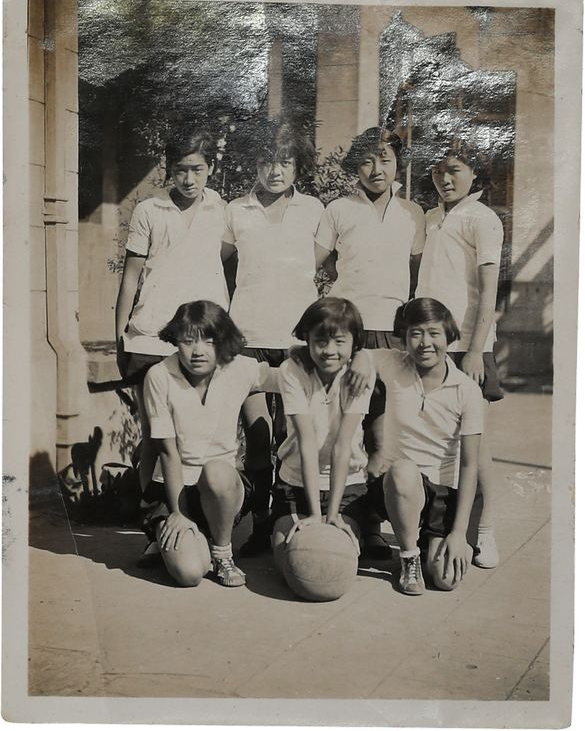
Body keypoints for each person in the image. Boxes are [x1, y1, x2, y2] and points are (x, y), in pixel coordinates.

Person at [115, 128, 230, 564]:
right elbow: (131, 275)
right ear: (169, 170)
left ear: (210, 168)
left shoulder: (223, 210)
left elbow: (226, 266)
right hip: (150, 336)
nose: (188, 179)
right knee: (154, 437)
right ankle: (153, 527)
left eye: (197, 169)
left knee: (196, 436)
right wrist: (121, 335)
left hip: (202, 340)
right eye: (180, 170)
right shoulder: (150, 209)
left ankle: (195, 523)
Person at [313, 126, 426, 555]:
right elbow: (312, 264)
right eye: (367, 160)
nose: (376, 169)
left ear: (398, 164)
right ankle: (343, 520)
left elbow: (418, 274)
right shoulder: (338, 209)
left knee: (384, 434)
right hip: (349, 332)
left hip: (392, 333)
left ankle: (374, 525)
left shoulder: (412, 213)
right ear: (355, 167)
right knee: (346, 427)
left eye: (385, 159)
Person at [222, 119, 324, 556]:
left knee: (293, 434)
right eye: (267, 162)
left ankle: (289, 518)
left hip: (297, 342)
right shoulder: (235, 211)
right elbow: (213, 265)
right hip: (247, 338)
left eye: (285, 162)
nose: (275, 171)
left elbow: (328, 265)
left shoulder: (315, 210)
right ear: (255, 164)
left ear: (297, 166)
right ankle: (261, 525)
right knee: (258, 438)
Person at [142, 300, 279, 588]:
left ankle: (222, 553)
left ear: (223, 341)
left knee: (216, 471)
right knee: (190, 572)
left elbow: (291, 376)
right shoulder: (159, 376)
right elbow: (167, 451)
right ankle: (179, 537)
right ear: (175, 339)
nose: (198, 351)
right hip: (174, 488)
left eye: (209, 340)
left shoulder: (240, 368)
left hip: (220, 490)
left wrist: (353, 363)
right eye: (188, 340)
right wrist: (178, 513)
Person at [415, 139, 504, 568]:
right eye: (439, 171)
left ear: (474, 174)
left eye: (455, 170)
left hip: (468, 347)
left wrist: (473, 351)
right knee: (435, 437)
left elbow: (489, 293)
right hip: (431, 344)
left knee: (474, 442)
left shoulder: (483, 219)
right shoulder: (432, 217)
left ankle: (484, 530)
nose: (445, 179)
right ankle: (435, 526)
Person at [356, 298, 483, 595]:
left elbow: (470, 465)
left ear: (449, 336)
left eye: (434, 333)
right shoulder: (394, 363)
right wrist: (361, 361)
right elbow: (361, 353)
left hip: (443, 494)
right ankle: (409, 557)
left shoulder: (467, 390)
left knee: (446, 579)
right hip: (398, 485)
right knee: (403, 470)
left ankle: (428, 541)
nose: (425, 343)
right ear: (404, 338)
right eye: (415, 334)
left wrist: (458, 533)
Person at [272, 297, 375, 599]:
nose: (329, 350)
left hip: (346, 486)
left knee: (332, 558)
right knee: (288, 559)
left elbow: (342, 446)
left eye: (340, 341)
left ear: (354, 342)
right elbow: (306, 442)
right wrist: (315, 516)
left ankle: (364, 529)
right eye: (320, 341)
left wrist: (330, 517)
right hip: (296, 483)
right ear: (306, 338)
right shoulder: (292, 370)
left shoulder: (360, 374)